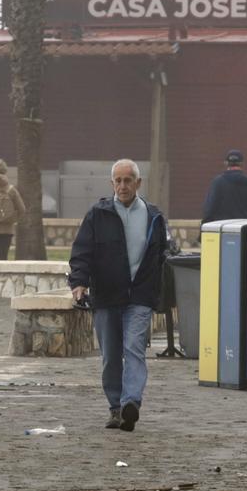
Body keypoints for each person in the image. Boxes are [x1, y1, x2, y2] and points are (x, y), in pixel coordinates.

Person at [69, 159, 170, 432]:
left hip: (140, 296)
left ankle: (131, 403)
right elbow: (82, 252)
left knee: (134, 348)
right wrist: (79, 283)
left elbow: (164, 255)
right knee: (111, 356)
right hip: (106, 295)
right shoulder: (97, 215)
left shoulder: (154, 216)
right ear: (111, 183)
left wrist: (161, 293)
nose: (123, 185)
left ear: (138, 183)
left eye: (128, 180)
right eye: (118, 180)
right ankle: (116, 407)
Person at [200, 149, 247, 224]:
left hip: (224, 228)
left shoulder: (218, 182)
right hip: (245, 229)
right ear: (241, 163)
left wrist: (203, 229)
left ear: (226, 163)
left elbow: (209, 210)